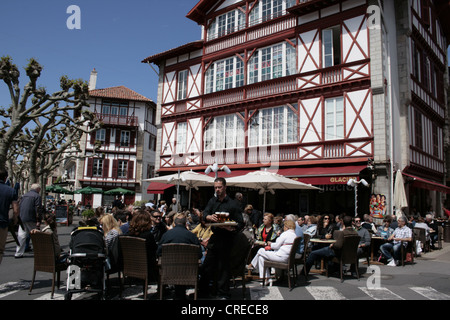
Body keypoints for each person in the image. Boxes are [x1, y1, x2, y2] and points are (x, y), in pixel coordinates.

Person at [199, 177, 244, 300]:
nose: (217, 189)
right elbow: (205, 214)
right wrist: (209, 217)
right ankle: (204, 291)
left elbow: (240, 223)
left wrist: (231, 227)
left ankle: (223, 293)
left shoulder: (233, 203)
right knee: (207, 265)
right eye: (215, 187)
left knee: (223, 267)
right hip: (215, 237)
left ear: (225, 187)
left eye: (219, 187)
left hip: (227, 238)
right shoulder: (212, 201)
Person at [157, 212, 202, 299]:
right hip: (188, 271)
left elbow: (159, 252)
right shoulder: (192, 236)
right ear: (186, 223)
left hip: (169, 270)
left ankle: (163, 292)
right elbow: (199, 254)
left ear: (174, 223)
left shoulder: (167, 235)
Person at [249, 220, 297, 284]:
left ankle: (252, 265)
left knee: (260, 250)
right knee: (261, 257)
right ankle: (267, 279)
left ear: (287, 227)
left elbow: (276, 246)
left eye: (284, 226)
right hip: (287, 257)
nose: (283, 228)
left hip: (280, 257)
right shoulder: (294, 235)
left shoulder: (285, 234)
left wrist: (270, 244)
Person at [127, 211, 158, 281]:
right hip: (146, 266)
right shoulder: (148, 236)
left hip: (129, 265)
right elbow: (154, 251)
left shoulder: (128, 235)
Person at [15, 183, 43, 259]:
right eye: (39, 189)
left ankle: (18, 253)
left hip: (22, 218)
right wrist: (38, 220)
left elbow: (19, 205)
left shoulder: (24, 195)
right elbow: (38, 209)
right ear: (38, 189)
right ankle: (38, 252)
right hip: (31, 218)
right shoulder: (37, 196)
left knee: (21, 236)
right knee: (35, 236)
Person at [0, 168, 19, 264]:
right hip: (2, 223)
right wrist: (15, 220)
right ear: (5, 178)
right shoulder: (10, 191)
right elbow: (15, 210)